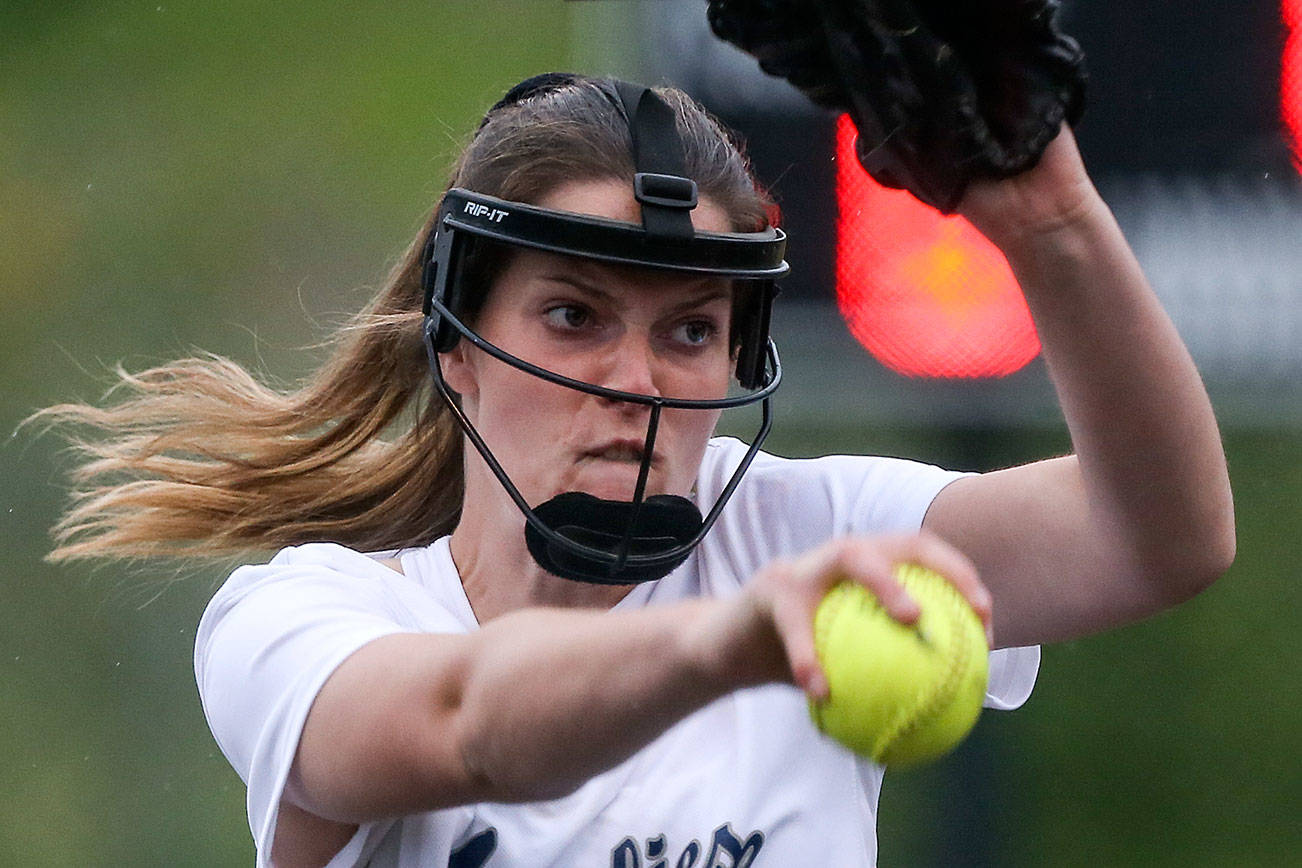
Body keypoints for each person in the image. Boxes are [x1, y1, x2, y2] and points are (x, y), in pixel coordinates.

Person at [41, 73, 1234, 867]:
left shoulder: (806, 534)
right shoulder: (306, 611)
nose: (638, 378)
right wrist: (735, 644)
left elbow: (1162, 539)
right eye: (573, 315)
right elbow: (468, 725)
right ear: (457, 345)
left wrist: (1052, 217)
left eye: (689, 330)